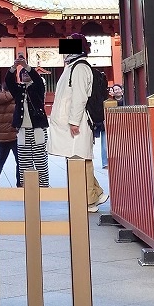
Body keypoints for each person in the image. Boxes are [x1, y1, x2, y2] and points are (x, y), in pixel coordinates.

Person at [48, 34, 106, 211]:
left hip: (78, 122)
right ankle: (97, 193)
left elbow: (79, 97)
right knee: (79, 160)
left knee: (80, 161)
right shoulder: (73, 66)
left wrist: (74, 121)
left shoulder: (79, 68)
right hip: (73, 121)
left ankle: (88, 200)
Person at [5, 55, 49, 187]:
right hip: (23, 129)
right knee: (24, 161)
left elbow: (37, 78)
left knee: (40, 160)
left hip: (38, 128)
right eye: (22, 73)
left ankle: (43, 186)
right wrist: (14, 67)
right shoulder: (18, 89)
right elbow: (8, 81)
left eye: (26, 73)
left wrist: (26, 66)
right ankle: (27, 187)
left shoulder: (38, 86)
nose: (25, 74)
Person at [0, 80, 21, 187]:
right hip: (15, 136)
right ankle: (20, 183)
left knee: (0, 161)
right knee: (19, 161)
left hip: (1, 138)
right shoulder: (16, 101)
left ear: (3, 89)